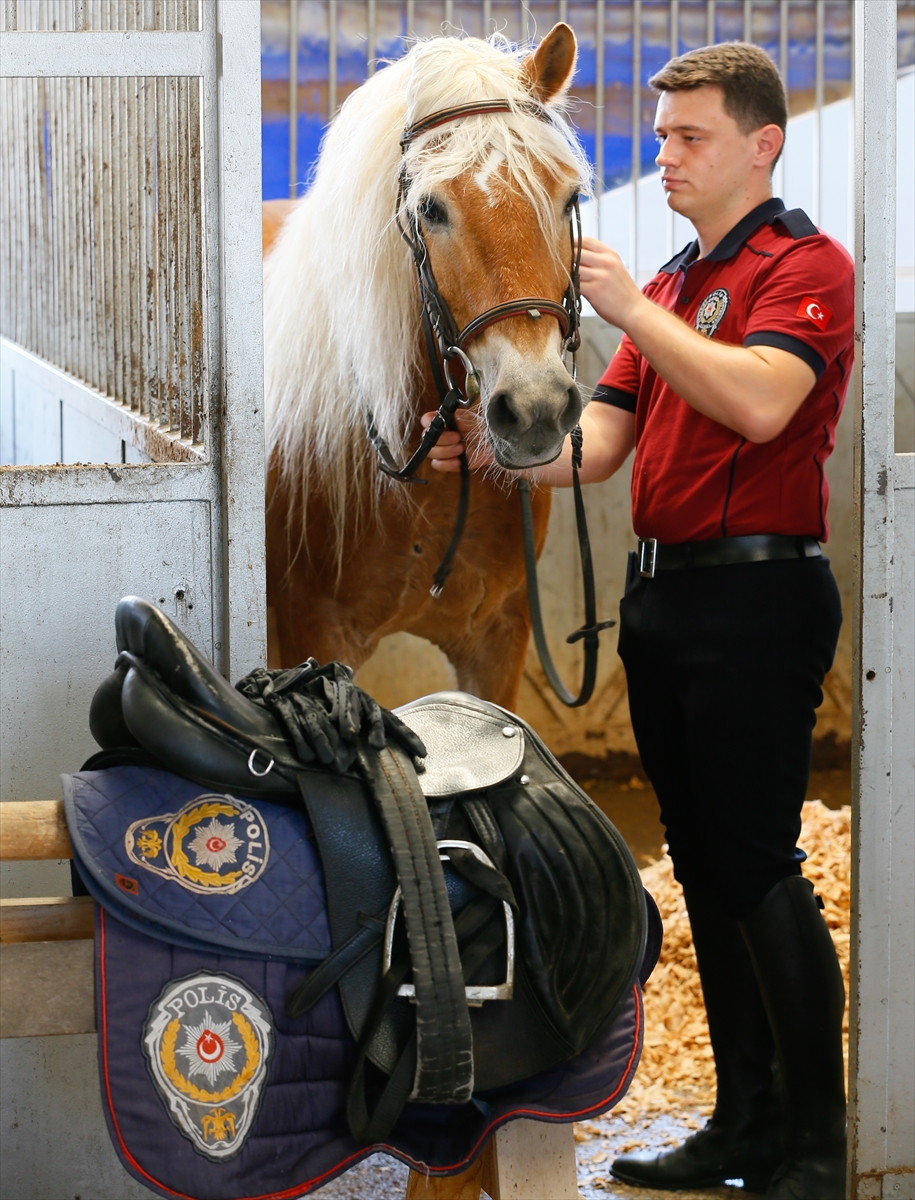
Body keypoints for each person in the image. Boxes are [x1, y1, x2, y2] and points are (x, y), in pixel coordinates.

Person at [424, 42, 852, 1200]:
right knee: (707, 874)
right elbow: (597, 449)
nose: (664, 155)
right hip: (666, 599)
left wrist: (624, 310)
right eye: (661, 137)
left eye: (690, 136)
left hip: (759, 595)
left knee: (763, 867)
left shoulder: (808, 265)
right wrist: (496, 456)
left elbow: (764, 403)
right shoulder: (668, 282)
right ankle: (744, 1125)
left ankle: (818, 1144)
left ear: (762, 144)